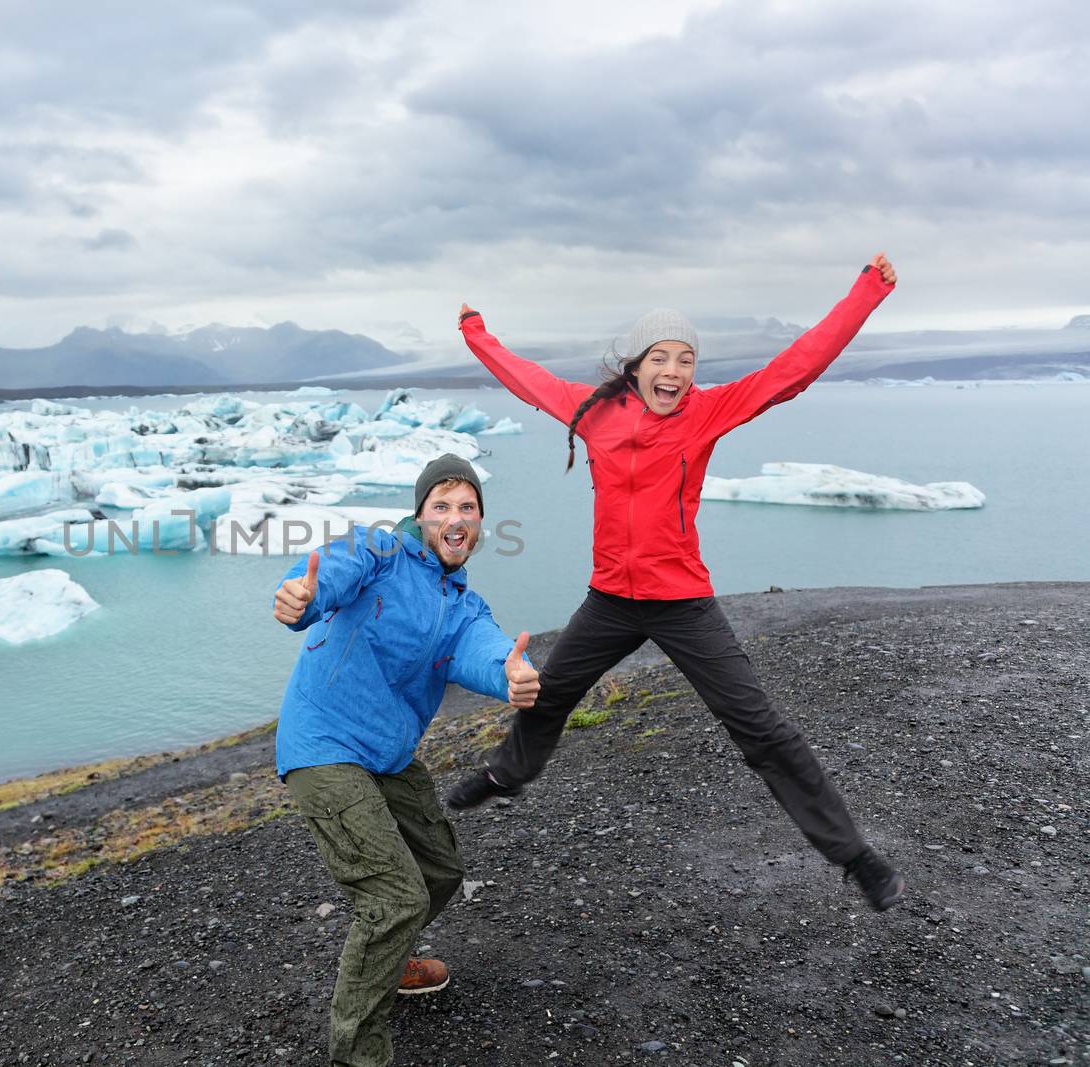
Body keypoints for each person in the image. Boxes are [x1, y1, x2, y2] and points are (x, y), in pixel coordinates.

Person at [448, 255, 906, 912]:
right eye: (660, 357)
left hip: (682, 603)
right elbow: (526, 380)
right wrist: (476, 333)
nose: (673, 370)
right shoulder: (595, 411)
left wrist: (868, 290)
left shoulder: (706, 412)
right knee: (546, 694)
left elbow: (794, 368)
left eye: (685, 359)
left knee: (761, 729)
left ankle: (856, 856)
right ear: (636, 365)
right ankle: (507, 773)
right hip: (609, 600)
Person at [274, 454, 541, 1067]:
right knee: (396, 900)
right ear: (420, 516)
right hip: (324, 746)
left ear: (478, 524)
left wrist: (513, 675)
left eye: (467, 508)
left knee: (440, 873)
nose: (455, 517)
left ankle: (387, 964)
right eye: (441, 506)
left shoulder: (461, 605)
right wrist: (303, 594)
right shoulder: (381, 551)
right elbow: (332, 571)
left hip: (387, 755)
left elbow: (484, 650)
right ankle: (358, 1055)